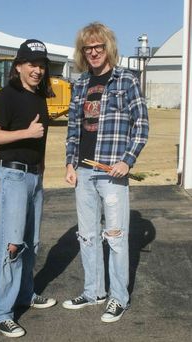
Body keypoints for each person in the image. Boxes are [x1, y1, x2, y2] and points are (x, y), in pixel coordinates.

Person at [63, 22, 149, 323]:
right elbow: (73, 129)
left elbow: (142, 125)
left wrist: (128, 160)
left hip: (112, 172)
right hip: (84, 172)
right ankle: (93, 291)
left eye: (99, 47)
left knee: (115, 236)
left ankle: (118, 298)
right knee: (86, 236)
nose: (94, 52)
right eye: (89, 48)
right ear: (83, 52)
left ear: (108, 47)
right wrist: (69, 163)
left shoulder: (127, 80)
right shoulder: (80, 84)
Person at [0, 39, 57, 338]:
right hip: (12, 178)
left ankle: (26, 293)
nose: (37, 70)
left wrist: (40, 166)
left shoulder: (39, 97)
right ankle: (2, 314)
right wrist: (26, 132)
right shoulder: (8, 95)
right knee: (12, 246)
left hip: (33, 178)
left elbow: (39, 139)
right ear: (18, 66)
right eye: (31, 64)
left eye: (41, 65)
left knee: (31, 242)